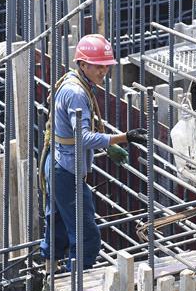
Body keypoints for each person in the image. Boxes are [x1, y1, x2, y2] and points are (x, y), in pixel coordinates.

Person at [39, 34, 147, 272]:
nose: (104, 72)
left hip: (56, 163)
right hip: (66, 170)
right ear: (83, 64)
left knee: (56, 223)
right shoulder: (77, 93)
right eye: (99, 66)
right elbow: (83, 137)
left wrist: (108, 145)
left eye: (106, 66)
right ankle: (73, 289)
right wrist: (124, 137)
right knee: (86, 236)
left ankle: (50, 273)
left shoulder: (70, 80)